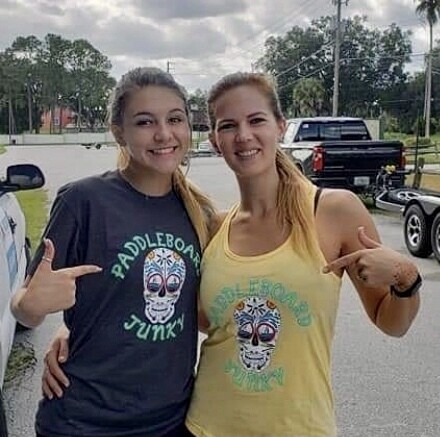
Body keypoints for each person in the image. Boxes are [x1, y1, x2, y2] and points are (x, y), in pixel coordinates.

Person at [41, 72, 422, 437]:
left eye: (256, 120)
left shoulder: (335, 210)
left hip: (301, 427)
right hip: (203, 425)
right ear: (215, 141)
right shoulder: (210, 226)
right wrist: (72, 328)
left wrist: (407, 277)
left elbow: (393, 323)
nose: (243, 136)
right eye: (227, 126)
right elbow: (160, 302)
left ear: (280, 126)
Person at [10, 66, 216, 437]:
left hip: (173, 422)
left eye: (175, 119)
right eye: (144, 122)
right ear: (118, 131)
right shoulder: (83, 201)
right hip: (84, 422)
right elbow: (25, 304)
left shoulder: (199, 213)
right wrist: (36, 307)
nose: (164, 133)